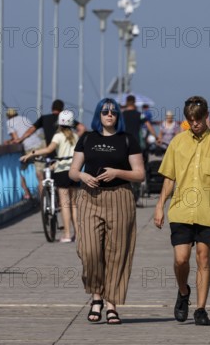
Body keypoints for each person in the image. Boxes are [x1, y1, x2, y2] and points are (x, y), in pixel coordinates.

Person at [154, 96, 210, 326]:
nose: (195, 123)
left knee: (203, 257)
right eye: (190, 120)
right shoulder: (177, 143)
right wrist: (160, 205)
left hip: (208, 210)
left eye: (198, 119)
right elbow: (169, 177)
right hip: (181, 209)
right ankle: (183, 292)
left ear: (206, 116)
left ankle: (200, 309)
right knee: (181, 259)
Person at [68, 98, 145, 325]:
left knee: (117, 252)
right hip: (89, 198)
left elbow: (140, 174)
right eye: (105, 111)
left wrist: (117, 172)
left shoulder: (128, 140)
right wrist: (82, 175)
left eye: (113, 112)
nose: (109, 115)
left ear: (118, 115)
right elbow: (73, 170)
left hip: (120, 197)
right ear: (99, 115)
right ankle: (96, 294)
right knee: (89, 250)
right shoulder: (87, 138)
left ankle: (109, 304)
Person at [21, 110, 79, 242]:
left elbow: (48, 150)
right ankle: (78, 235)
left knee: (64, 204)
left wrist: (32, 153)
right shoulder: (76, 137)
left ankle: (67, 235)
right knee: (74, 205)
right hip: (75, 171)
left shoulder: (58, 136)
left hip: (62, 172)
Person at [4, 108, 44, 199]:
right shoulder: (24, 118)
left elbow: (16, 139)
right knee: (41, 172)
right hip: (39, 145)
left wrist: (9, 142)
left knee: (18, 171)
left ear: (8, 116)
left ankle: (27, 193)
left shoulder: (9, 122)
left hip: (28, 149)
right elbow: (28, 133)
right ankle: (49, 196)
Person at [17, 99, 85, 146]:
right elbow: (82, 128)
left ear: (52, 108)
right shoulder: (65, 119)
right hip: (63, 152)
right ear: (62, 109)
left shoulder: (44, 118)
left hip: (50, 153)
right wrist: (72, 137)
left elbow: (31, 130)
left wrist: (21, 139)